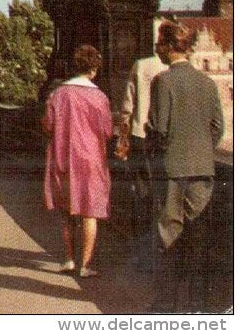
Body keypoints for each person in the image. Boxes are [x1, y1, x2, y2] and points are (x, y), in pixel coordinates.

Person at [148, 22, 224, 313]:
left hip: (172, 171)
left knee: (168, 234)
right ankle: (196, 303)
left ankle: (166, 303)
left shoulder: (162, 82)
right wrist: (202, 148)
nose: (157, 49)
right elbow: (218, 126)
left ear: (168, 47)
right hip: (204, 170)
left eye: (159, 43)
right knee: (198, 236)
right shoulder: (206, 82)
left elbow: (159, 130)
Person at [42, 44, 113, 278]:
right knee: (90, 211)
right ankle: (85, 265)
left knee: (67, 210)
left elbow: (48, 125)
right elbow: (107, 131)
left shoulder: (59, 93)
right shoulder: (100, 96)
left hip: (63, 156)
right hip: (91, 159)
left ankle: (70, 259)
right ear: (93, 70)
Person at [118, 50, 168, 267]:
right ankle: (164, 252)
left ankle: (143, 257)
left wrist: (123, 139)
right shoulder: (174, 68)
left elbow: (127, 107)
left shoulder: (141, 65)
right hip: (164, 142)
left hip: (141, 138)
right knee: (165, 199)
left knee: (141, 197)